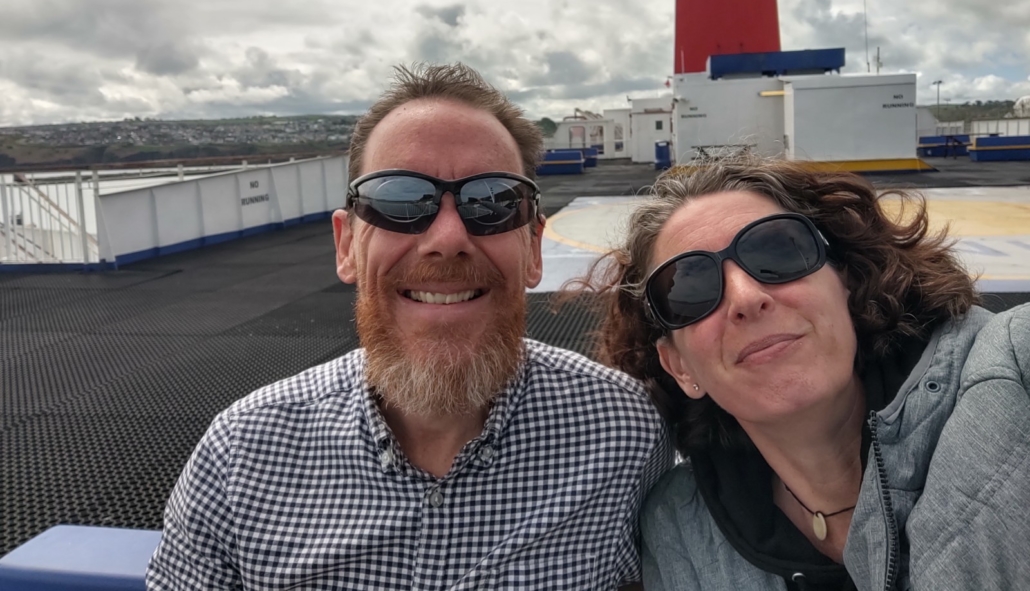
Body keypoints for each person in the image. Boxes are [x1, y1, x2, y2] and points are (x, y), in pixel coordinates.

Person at [147, 63, 672, 590]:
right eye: (398, 200)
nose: (447, 236)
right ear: (346, 245)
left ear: (533, 248)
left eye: (492, 201)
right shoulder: (241, 453)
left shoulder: (626, 433)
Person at [592, 156, 1030, 590]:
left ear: (847, 283)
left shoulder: (1012, 376)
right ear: (680, 366)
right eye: (690, 288)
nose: (746, 297)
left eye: (777, 252)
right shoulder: (680, 532)